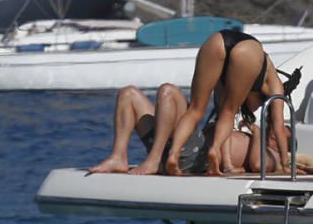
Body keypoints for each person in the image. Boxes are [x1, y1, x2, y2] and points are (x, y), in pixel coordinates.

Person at [165, 29, 292, 176]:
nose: (252, 109)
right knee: (228, 113)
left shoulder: (228, 84)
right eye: (256, 107)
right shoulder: (275, 85)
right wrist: (285, 164)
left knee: (195, 109)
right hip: (249, 50)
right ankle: (214, 149)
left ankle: (173, 155)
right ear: (262, 100)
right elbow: (279, 128)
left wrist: (228, 165)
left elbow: (223, 123)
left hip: (218, 39)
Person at [88, 84, 286, 175]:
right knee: (128, 93)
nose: (276, 131)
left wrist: (258, 135)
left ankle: (155, 159)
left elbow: (259, 165)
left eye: (283, 135)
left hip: (191, 156)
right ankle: (118, 156)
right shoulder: (248, 135)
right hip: (176, 147)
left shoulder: (271, 154)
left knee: (169, 92)